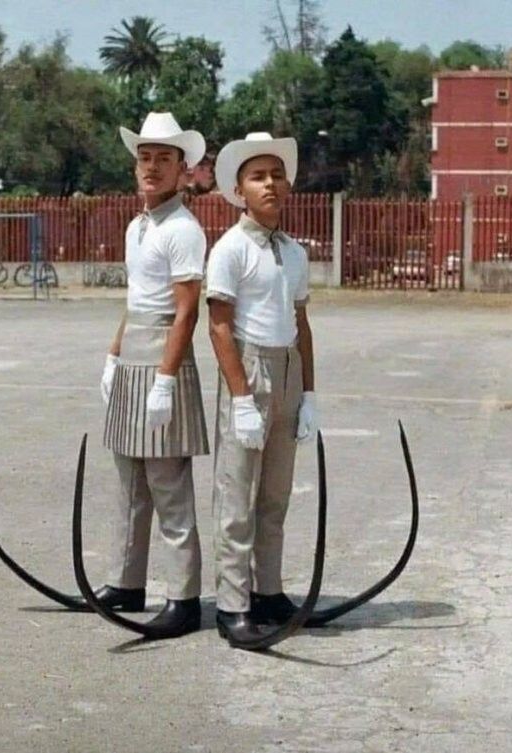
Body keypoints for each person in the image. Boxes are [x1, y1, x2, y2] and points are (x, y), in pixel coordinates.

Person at [97, 112, 209, 638]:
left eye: (164, 158)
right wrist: (113, 355)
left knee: (168, 486)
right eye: (145, 157)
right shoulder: (137, 226)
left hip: (164, 355)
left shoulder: (183, 229)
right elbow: (135, 299)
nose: (152, 167)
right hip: (134, 353)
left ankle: (183, 598)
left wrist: (166, 379)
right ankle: (125, 583)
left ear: (183, 169)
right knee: (130, 481)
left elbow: (186, 311)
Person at [206, 132, 317, 645]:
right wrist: (242, 400)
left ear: (287, 185)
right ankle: (233, 604)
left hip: (287, 364)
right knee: (237, 495)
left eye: (276, 175)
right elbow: (219, 326)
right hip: (248, 368)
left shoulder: (294, 253)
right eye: (257, 176)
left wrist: (309, 395)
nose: (269, 184)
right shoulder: (230, 249)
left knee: (275, 494)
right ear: (239, 190)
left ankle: (268, 591)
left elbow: (301, 322)